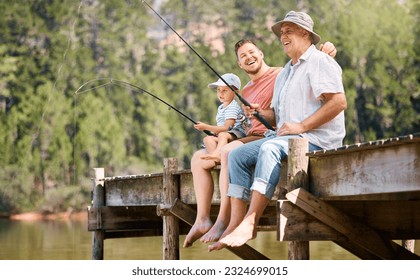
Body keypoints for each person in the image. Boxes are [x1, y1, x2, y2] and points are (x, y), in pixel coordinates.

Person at [208, 11, 347, 251]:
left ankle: (251, 221)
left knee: (271, 147)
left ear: (305, 33)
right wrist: (259, 112)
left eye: (288, 30)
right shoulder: (287, 72)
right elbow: (278, 119)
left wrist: (302, 126)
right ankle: (234, 223)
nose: (282, 36)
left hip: (315, 140)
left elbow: (338, 103)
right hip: (287, 138)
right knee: (237, 156)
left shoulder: (319, 61)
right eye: (281, 32)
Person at [194, 73, 247, 162]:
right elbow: (222, 126)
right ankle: (217, 160)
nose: (220, 93)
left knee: (222, 135)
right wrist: (213, 132)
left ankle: (219, 155)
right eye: (218, 90)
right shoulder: (222, 107)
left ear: (235, 92)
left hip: (236, 134)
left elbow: (227, 128)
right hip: (226, 134)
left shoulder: (232, 107)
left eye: (225, 90)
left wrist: (206, 127)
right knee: (208, 139)